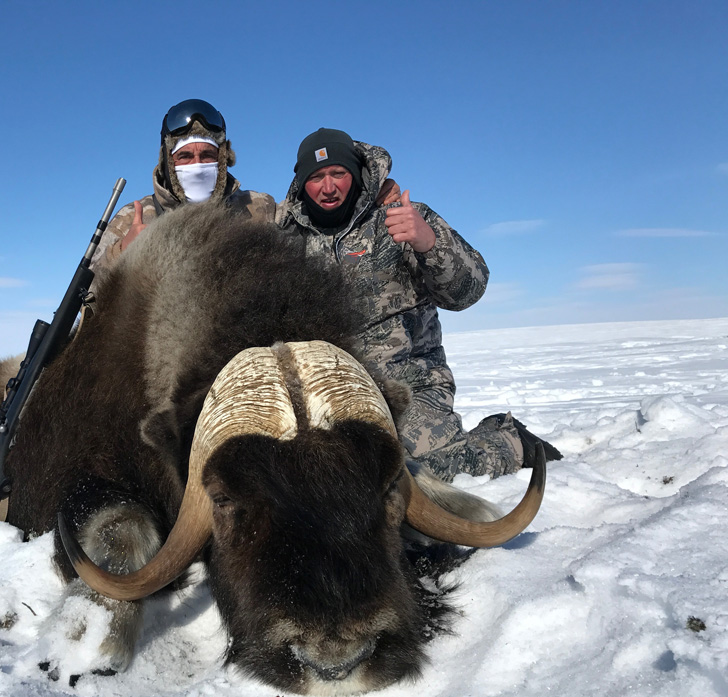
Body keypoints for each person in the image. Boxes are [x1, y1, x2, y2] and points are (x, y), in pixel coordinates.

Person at [277, 128, 561, 482]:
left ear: (357, 173)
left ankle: (510, 441)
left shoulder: (402, 216)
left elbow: (469, 291)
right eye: (316, 177)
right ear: (302, 183)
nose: (328, 187)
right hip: (331, 396)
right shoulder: (284, 240)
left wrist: (428, 243)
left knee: (415, 476)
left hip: (412, 386)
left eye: (338, 173)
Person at [92, 99, 276, 273]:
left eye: (208, 155)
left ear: (223, 160)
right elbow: (88, 298)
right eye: (184, 157)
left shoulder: (260, 208)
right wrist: (122, 252)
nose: (197, 167)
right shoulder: (131, 219)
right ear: (168, 163)